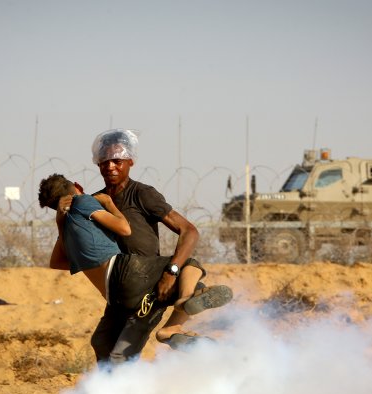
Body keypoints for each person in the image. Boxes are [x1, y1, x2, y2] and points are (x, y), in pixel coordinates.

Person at [39, 173, 232, 365]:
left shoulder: (67, 226)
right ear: (77, 186)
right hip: (124, 271)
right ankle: (178, 314)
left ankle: (185, 303)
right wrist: (108, 203)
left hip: (113, 295)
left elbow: (56, 263)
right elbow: (125, 228)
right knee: (188, 265)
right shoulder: (83, 201)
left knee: (105, 345)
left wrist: (61, 224)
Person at [57, 129, 205, 362]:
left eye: (117, 161)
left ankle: (181, 311)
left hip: (150, 286)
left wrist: (171, 271)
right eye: (105, 161)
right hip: (120, 288)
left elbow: (189, 231)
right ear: (98, 164)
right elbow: (66, 257)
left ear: (130, 162)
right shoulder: (93, 203)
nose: (110, 166)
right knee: (102, 343)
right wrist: (64, 219)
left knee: (121, 356)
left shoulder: (142, 194)